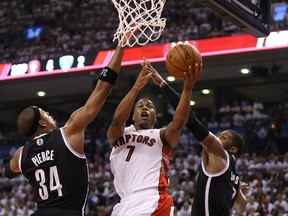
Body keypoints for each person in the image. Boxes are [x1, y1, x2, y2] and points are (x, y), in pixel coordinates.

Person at [2, 42, 127, 216]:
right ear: (42, 123)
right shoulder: (68, 133)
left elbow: (8, 172)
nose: (50, 115)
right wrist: (120, 48)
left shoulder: (20, 155)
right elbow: (102, 89)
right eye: (45, 113)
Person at [146, 60, 248, 216]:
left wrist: (164, 84)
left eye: (224, 137)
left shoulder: (220, 152)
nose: (218, 137)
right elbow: (241, 207)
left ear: (233, 148)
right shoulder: (235, 178)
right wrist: (237, 190)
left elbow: (190, 120)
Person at [107, 59, 202, 215]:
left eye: (150, 106)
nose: (145, 107)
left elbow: (179, 122)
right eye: (140, 106)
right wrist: (136, 87)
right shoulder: (119, 134)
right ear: (132, 115)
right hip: (124, 203)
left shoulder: (161, 135)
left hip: (153, 200)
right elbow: (117, 120)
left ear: (155, 117)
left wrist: (187, 88)